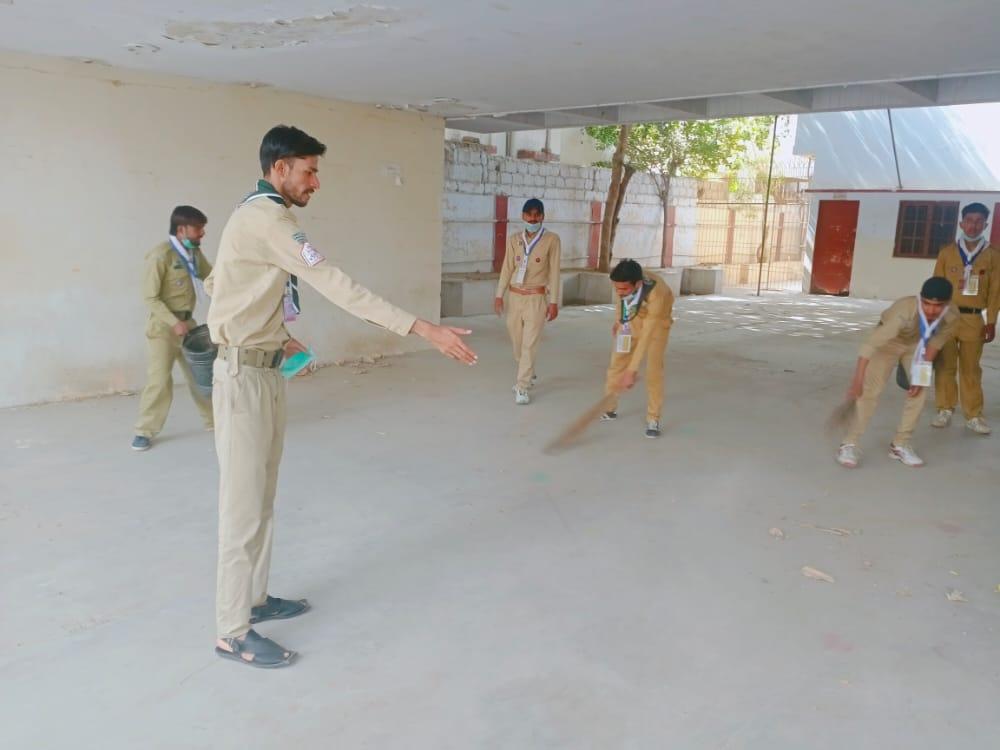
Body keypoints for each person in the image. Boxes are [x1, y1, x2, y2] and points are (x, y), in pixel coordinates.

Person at [206, 125, 477, 668]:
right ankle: (231, 630)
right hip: (243, 380)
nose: (316, 181)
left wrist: (275, 333)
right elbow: (334, 282)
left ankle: (254, 600)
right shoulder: (268, 220)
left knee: (261, 498)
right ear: (279, 169)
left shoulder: (255, 216)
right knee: (241, 509)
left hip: (263, 370)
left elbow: (222, 287)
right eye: (309, 170)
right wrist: (422, 328)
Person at [837, 277, 958, 469]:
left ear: (948, 304)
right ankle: (849, 444)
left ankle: (900, 445)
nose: (931, 310)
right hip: (888, 344)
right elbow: (870, 345)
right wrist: (857, 379)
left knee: (920, 390)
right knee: (869, 392)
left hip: (917, 345)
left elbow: (935, 344)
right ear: (920, 299)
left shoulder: (952, 315)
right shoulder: (904, 312)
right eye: (926, 304)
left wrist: (920, 376)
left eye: (938, 306)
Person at [131, 206, 215, 451]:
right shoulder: (160, 256)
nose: (202, 234)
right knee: (159, 381)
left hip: (188, 325)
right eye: (198, 229)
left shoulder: (193, 254)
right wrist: (173, 322)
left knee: (202, 377)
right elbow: (150, 298)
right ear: (181, 230)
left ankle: (214, 420)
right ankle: (144, 431)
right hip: (163, 329)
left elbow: (210, 277)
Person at [930, 202, 1000, 435]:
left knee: (971, 369)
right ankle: (945, 409)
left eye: (979, 221)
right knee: (945, 366)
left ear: (985, 224)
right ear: (961, 223)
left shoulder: (993, 255)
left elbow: (995, 292)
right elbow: (935, 287)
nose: (973, 225)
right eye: (969, 220)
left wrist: (991, 321)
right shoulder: (947, 252)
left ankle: (973, 415)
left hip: (973, 319)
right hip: (947, 317)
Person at [494, 198, 561, 404]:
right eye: (529, 215)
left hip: (536, 297)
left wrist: (554, 301)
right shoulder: (515, 239)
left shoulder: (552, 240)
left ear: (542, 216)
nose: (532, 219)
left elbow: (555, 272)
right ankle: (527, 370)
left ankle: (522, 386)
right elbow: (507, 268)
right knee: (517, 341)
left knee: (529, 343)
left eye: (536, 215)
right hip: (515, 296)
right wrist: (499, 295)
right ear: (523, 216)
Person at [600, 259, 674, 438]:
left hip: (656, 325)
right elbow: (621, 301)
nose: (619, 292)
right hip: (631, 321)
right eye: (616, 288)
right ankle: (610, 408)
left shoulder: (658, 294)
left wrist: (631, 371)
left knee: (653, 371)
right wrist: (619, 320)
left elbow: (647, 336)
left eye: (624, 289)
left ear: (638, 284)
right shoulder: (623, 282)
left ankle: (653, 418)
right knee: (616, 363)